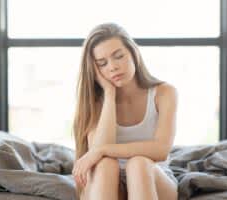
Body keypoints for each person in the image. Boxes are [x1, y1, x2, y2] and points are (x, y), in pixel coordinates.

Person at [72, 23, 178, 200]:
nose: (113, 67)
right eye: (102, 63)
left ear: (134, 53)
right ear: (95, 70)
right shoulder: (95, 101)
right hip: (107, 181)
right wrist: (109, 93)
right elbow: (98, 155)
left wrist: (103, 150)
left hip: (151, 177)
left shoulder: (164, 92)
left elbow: (161, 150)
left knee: (138, 163)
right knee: (105, 164)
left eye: (119, 56)